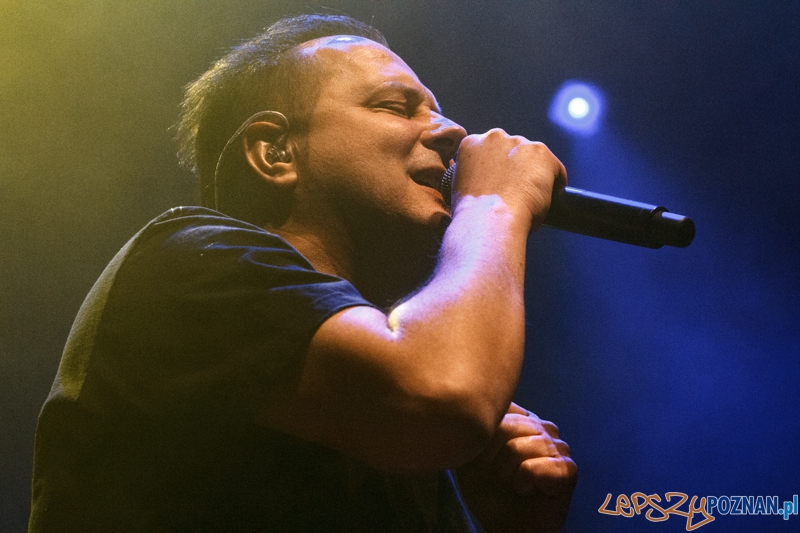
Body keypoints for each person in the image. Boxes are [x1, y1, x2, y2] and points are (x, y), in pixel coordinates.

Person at [29, 14, 576, 533]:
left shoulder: (386, 412)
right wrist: (493, 203)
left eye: (437, 111)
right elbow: (442, 398)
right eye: (394, 106)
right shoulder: (186, 264)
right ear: (274, 152)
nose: (453, 132)